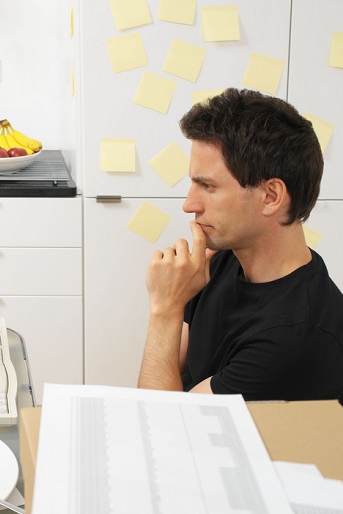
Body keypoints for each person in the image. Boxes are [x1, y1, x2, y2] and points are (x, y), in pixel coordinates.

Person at [137, 87, 343, 401]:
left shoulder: (294, 337)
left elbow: (163, 426)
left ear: (271, 197)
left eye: (207, 186)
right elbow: (167, 370)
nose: (190, 205)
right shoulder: (222, 260)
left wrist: (164, 308)